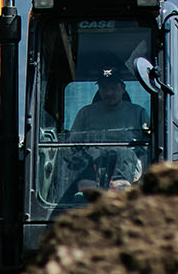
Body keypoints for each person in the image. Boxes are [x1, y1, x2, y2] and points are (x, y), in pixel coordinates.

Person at [62, 65, 148, 195]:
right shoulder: (85, 114)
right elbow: (72, 146)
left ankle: (120, 192)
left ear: (123, 89)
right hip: (92, 169)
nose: (108, 93)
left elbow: (147, 148)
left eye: (113, 88)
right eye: (104, 88)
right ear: (99, 89)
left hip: (127, 169)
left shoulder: (138, 113)